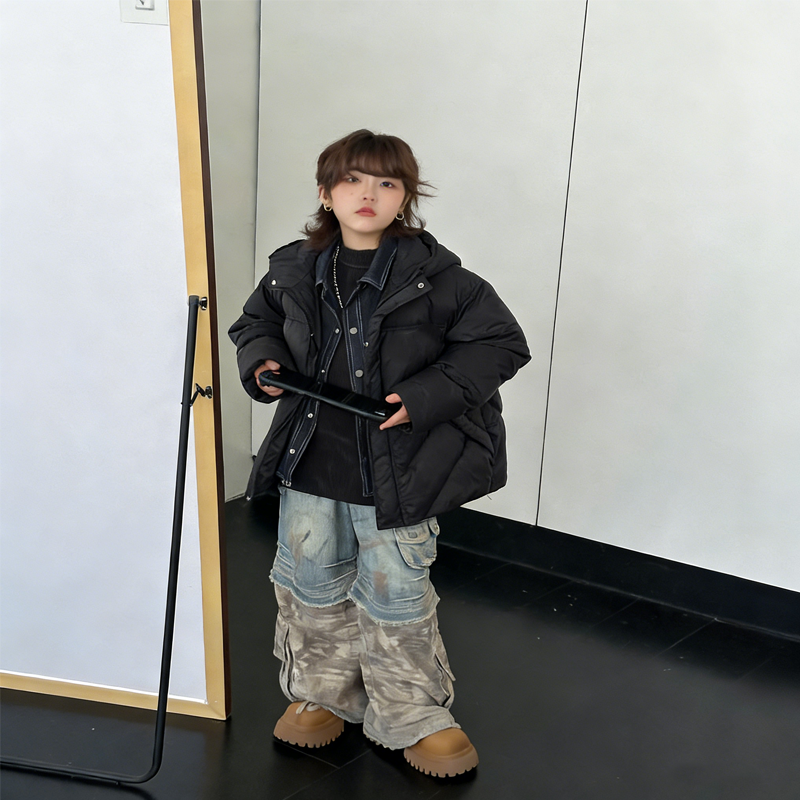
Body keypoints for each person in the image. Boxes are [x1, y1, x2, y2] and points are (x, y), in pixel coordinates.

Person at [229, 129, 530, 778]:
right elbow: (256, 325)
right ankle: (321, 696)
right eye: (352, 180)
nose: (368, 194)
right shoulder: (291, 269)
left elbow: (499, 345)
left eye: (386, 182)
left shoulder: (445, 282)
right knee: (310, 584)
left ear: (405, 197)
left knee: (395, 591)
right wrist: (262, 362)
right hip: (310, 462)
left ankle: (413, 715)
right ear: (326, 193)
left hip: (398, 471)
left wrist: (420, 398)